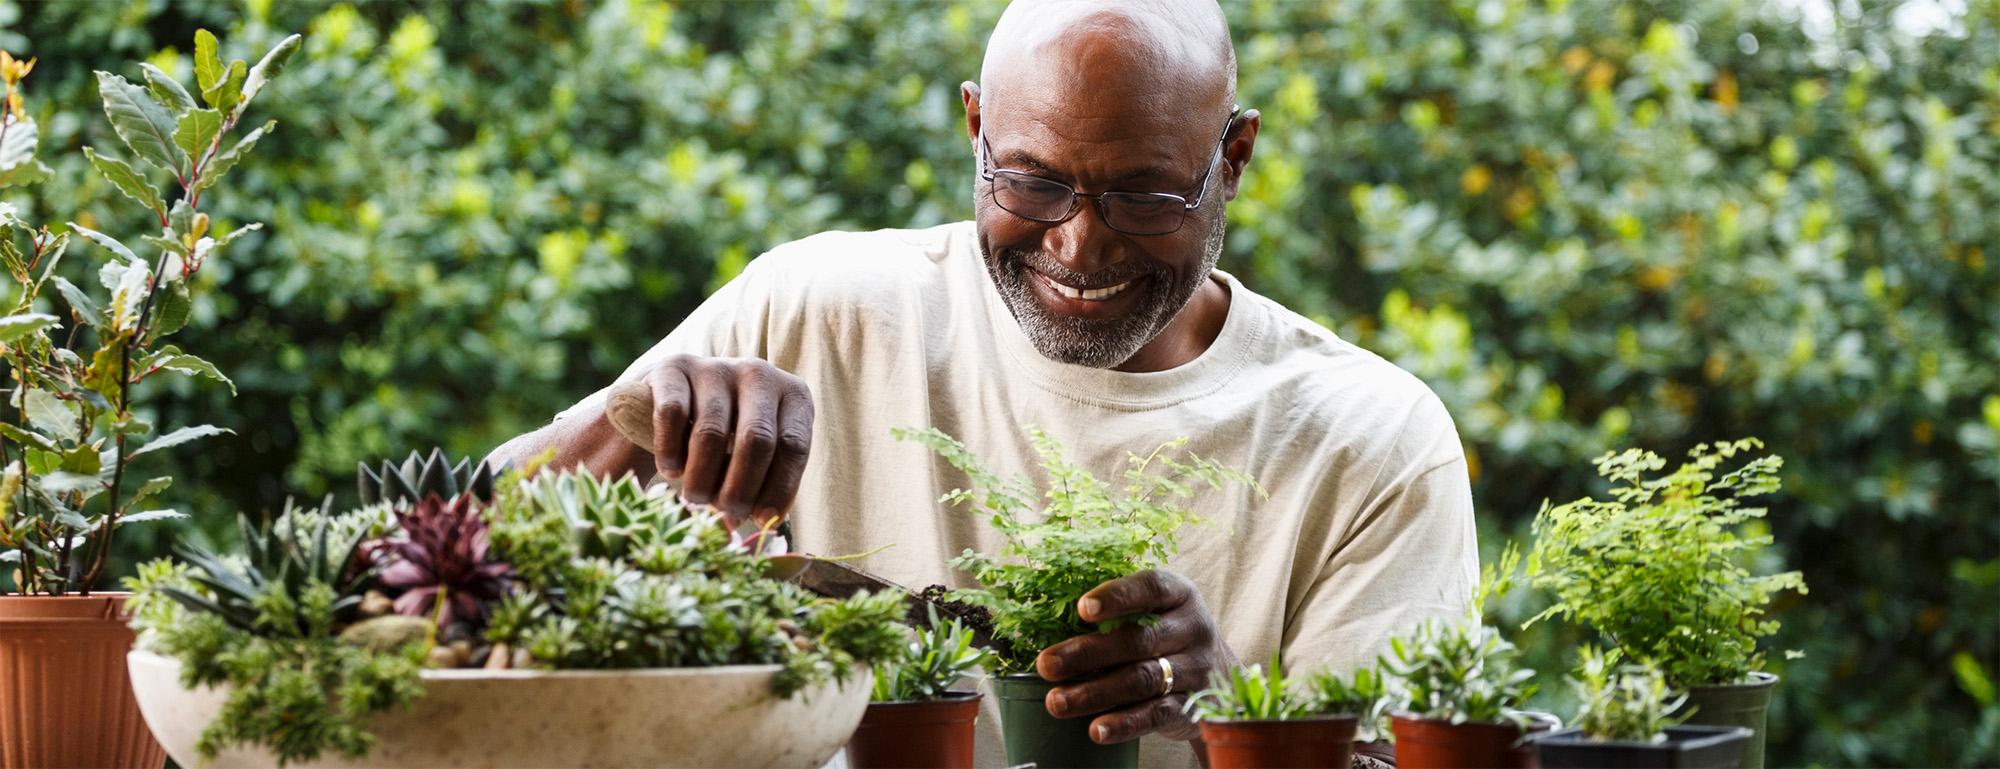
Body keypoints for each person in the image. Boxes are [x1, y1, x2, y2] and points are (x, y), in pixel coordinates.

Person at [490, 0, 1476, 765]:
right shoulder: (817, 308)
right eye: (1030, 179)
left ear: (1234, 158)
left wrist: (1226, 716)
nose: (1078, 243)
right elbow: (441, 564)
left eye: (1143, 191)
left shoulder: (1370, 441)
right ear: (973, 127)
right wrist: (641, 420)